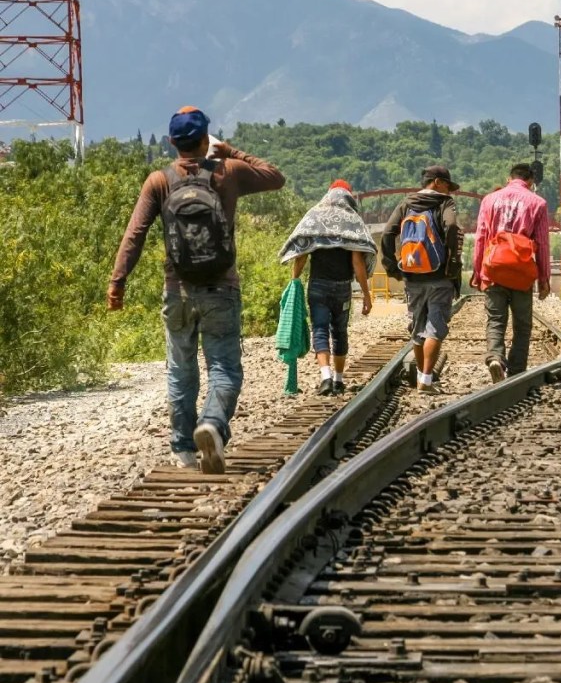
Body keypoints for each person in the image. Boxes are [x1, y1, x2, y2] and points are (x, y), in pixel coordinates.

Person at [107, 106, 286, 473]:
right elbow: (275, 177)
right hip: (221, 288)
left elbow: (135, 234)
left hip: (177, 290)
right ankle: (213, 424)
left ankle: (184, 450)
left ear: (172, 143)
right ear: (206, 139)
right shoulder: (228, 172)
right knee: (224, 368)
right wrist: (232, 151)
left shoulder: (158, 181)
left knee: (181, 370)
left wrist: (117, 283)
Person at [279, 179, 376, 396]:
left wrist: (294, 281)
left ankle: (325, 377)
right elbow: (358, 263)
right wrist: (367, 295)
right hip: (342, 288)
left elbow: (302, 253)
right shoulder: (353, 221)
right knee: (339, 332)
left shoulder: (315, 217)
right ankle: (339, 380)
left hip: (317, 287)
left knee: (320, 329)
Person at [380, 165, 462, 394]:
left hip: (412, 275)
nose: (449, 190)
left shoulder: (406, 203)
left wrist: (391, 266)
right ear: (436, 182)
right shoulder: (445, 203)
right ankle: (425, 380)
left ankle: (420, 377)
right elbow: (452, 226)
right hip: (439, 276)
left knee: (417, 329)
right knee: (435, 327)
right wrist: (453, 262)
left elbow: (388, 232)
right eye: (447, 184)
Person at [471, 163, 551, 382]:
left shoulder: (489, 200)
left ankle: (495, 356)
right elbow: (542, 243)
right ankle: (517, 372)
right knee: (522, 324)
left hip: (494, 268)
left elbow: (480, 237)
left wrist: (478, 271)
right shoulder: (538, 203)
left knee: (496, 319)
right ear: (531, 182)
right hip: (522, 272)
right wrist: (544, 278)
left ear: (509, 178)